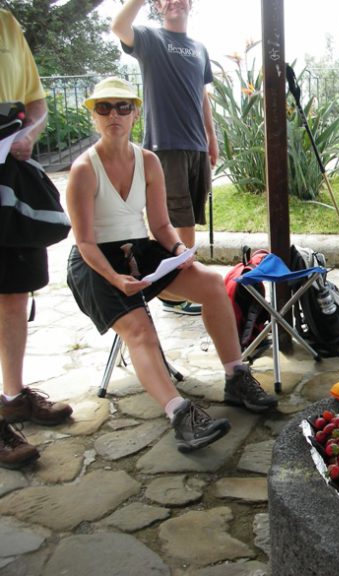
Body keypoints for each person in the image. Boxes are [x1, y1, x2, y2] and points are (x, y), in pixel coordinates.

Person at [65, 77, 276, 453]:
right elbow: (83, 241)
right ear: (94, 117)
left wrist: (180, 249)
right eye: (104, 108)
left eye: (123, 107)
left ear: (135, 113)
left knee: (211, 283)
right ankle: (180, 414)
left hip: (141, 251)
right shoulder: (84, 168)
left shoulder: (148, 161)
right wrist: (115, 277)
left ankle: (235, 375)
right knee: (141, 330)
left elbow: (161, 225)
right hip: (95, 262)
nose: (114, 114)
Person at [112, 0, 218, 316]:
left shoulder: (199, 48)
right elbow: (118, 27)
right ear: (158, 6)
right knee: (177, 222)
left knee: (190, 219)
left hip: (196, 147)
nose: (174, 1)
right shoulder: (150, 39)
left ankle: (177, 287)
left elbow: (202, 96)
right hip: (165, 147)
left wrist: (211, 138)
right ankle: (176, 294)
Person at [1, 9, 73, 469]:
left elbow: (37, 104)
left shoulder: (7, 22)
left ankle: (12, 396)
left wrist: (27, 134)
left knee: (13, 292)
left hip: (10, 179)